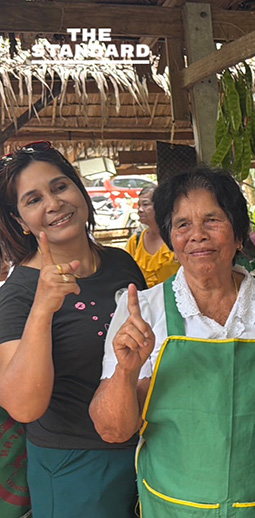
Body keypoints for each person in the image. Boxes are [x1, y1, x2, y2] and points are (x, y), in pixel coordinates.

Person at [89, 167, 255, 518]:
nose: (197, 235)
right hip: (176, 508)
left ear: (239, 235)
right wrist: (126, 370)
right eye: (182, 225)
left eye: (212, 220)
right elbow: (113, 430)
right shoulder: (142, 313)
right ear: (170, 239)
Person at [0, 141, 147, 517]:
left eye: (60, 186)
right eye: (33, 200)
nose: (53, 204)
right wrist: (43, 308)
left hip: (146, 451)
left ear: (79, 190)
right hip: (75, 468)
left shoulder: (122, 264)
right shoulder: (19, 294)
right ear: (20, 221)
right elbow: (22, 406)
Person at [124, 185, 179, 288]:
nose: (140, 210)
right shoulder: (135, 241)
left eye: (145, 204)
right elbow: (126, 273)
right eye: (138, 205)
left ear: (160, 206)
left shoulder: (177, 238)